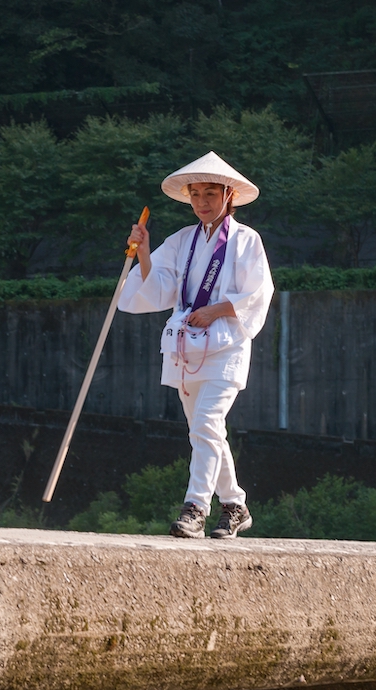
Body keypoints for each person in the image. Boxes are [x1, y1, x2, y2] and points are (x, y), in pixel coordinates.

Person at [117, 151, 275, 538]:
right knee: (205, 430)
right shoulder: (182, 240)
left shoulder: (245, 240)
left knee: (206, 423)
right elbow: (160, 286)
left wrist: (216, 310)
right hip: (187, 346)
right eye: (196, 194)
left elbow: (259, 292)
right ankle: (235, 504)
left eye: (210, 194)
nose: (202, 202)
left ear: (228, 196)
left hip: (227, 346)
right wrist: (144, 249)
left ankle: (195, 508)